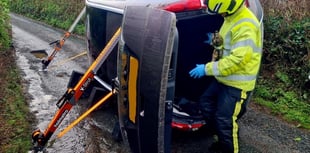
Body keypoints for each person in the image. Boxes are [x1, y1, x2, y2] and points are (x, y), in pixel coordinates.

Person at [189, 0, 263, 152]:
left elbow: (237, 61)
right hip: (223, 78)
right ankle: (222, 141)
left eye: (220, 11)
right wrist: (215, 42)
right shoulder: (231, 17)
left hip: (237, 84)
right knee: (206, 104)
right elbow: (228, 44)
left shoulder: (246, 25)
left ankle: (229, 147)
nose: (219, 14)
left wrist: (206, 69)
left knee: (225, 121)